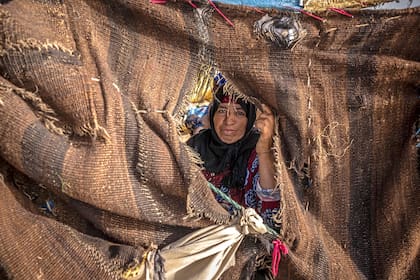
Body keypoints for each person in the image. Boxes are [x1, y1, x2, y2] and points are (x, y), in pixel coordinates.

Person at [187, 87, 280, 229]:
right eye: (222, 110)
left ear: (250, 118)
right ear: (212, 115)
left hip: (240, 238)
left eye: (239, 112)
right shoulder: (195, 146)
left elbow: (270, 207)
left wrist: (264, 152)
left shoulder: (259, 149)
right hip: (195, 231)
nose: (229, 120)